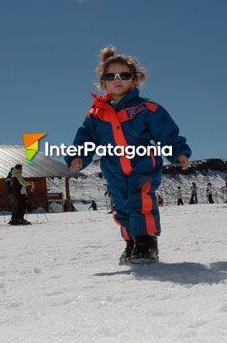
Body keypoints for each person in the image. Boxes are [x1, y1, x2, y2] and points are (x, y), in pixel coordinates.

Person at [67, 46, 191, 265]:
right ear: (103, 83)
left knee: (140, 200)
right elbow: (86, 137)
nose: (118, 80)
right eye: (111, 76)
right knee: (122, 205)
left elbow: (166, 133)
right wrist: (78, 156)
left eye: (124, 75)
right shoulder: (97, 113)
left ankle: (146, 242)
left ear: (134, 80)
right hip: (114, 168)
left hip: (143, 164)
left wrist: (178, 152)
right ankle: (131, 242)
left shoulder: (146, 108)